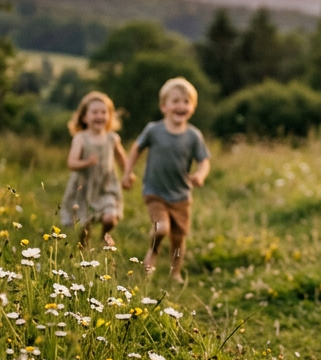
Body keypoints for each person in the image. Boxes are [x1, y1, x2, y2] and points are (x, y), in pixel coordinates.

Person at [120, 77, 211, 280]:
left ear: (193, 107)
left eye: (186, 102)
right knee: (161, 228)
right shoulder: (154, 130)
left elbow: (204, 160)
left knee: (178, 239)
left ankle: (175, 272)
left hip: (181, 196)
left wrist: (200, 175)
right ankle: (153, 251)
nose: (181, 105)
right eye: (176, 101)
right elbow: (136, 149)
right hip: (155, 192)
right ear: (164, 106)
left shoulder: (193, 136)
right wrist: (128, 173)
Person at [60, 91, 127, 249]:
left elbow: (121, 158)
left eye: (104, 112)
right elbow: (71, 163)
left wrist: (127, 174)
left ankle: (105, 235)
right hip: (85, 187)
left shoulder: (112, 138)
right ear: (84, 117)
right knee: (85, 224)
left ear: (109, 116)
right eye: (95, 112)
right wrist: (86, 162)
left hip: (107, 186)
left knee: (110, 217)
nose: (100, 116)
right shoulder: (81, 138)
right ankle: (83, 247)